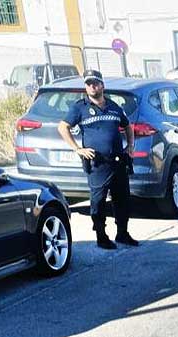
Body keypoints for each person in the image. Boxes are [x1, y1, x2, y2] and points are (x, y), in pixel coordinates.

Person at [58, 69, 137, 250]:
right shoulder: (80, 108)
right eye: (89, 84)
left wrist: (130, 146)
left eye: (95, 83)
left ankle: (123, 233)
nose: (92, 86)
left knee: (122, 199)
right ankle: (101, 236)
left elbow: (128, 126)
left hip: (117, 161)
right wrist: (78, 149)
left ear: (102, 85)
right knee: (98, 201)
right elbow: (63, 127)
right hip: (97, 163)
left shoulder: (114, 106)